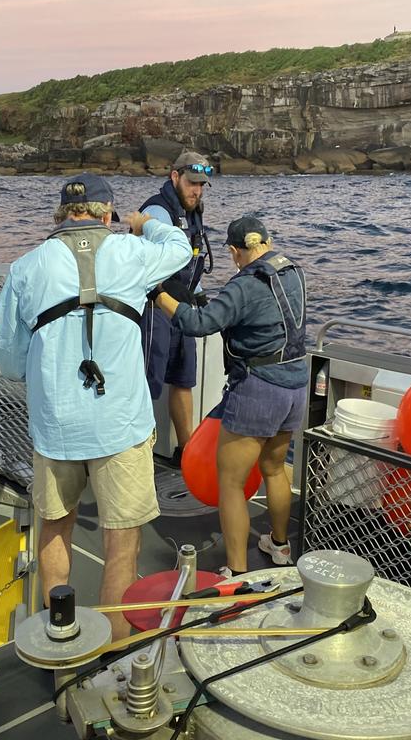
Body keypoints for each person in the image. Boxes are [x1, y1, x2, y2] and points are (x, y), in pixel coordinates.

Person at [0, 173, 192, 639]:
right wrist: (146, 223)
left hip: (56, 425)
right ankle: (114, 653)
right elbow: (181, 248)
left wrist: (38, 373)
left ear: (63, 212)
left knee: (55, 527)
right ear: (107, 212)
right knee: (121, 541)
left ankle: (60, 640)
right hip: (120, 424)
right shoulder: (132, 252)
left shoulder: (27, 267)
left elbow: (6, 351)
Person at [153, 216, 307, 574]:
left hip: (258, 390)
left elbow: (199, 324)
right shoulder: (293, 271)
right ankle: (280, 546)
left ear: (236, 251)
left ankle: (236, 571)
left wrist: (159, 296)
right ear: (266, 242)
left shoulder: (244, 285)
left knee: (231, 484)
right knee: (273, 468)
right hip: (296, 384)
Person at [139, 151, 214, 467]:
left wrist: (199, 297)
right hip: (155, 307)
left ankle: (188, 453)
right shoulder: (157, 211)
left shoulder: (192, 211)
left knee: (183, 379)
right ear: (174, 177)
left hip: (181, 307)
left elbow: (192, 264)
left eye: (201, 185)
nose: (196, 190)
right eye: (191, 183)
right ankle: (135, 456)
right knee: (147, 381)